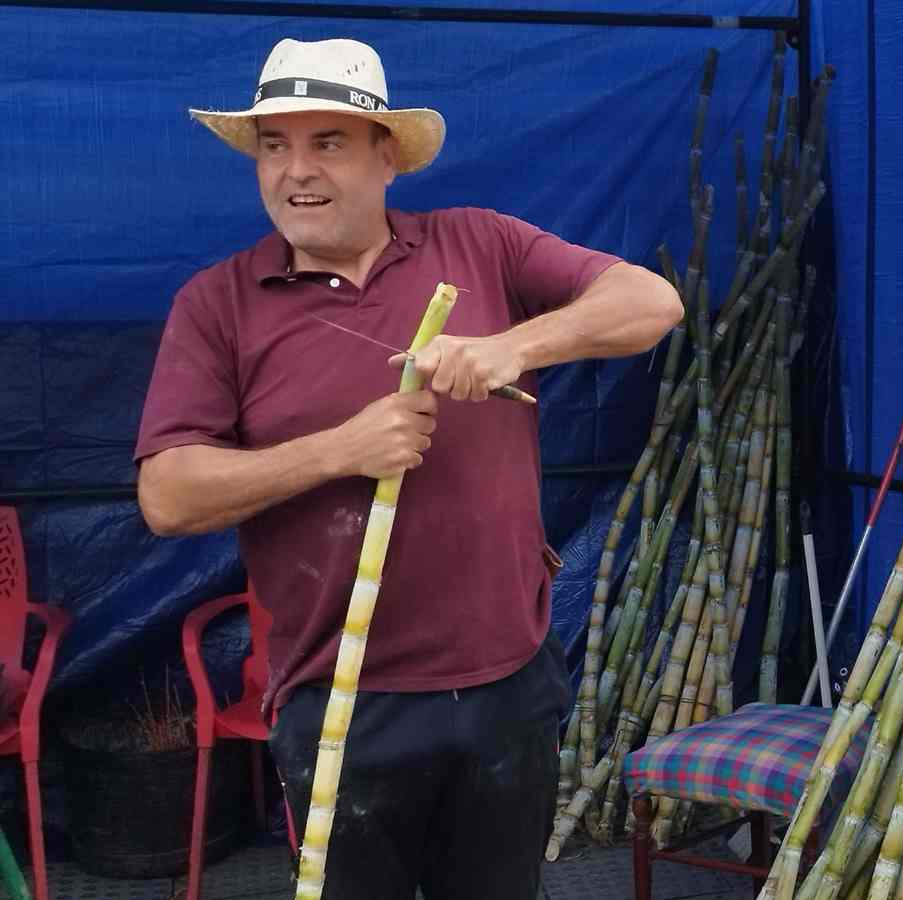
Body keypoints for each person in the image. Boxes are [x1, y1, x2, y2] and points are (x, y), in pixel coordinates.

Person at [133, 37, 682, 900]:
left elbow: (652, 303)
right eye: (275, 145)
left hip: (506, 682)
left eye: (328, 143)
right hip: (339, 697)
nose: (296, 171)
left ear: (388, 156)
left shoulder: (480, 243)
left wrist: (512, 346)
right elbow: (167, 495)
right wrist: (342, 450)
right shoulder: (218, 304)